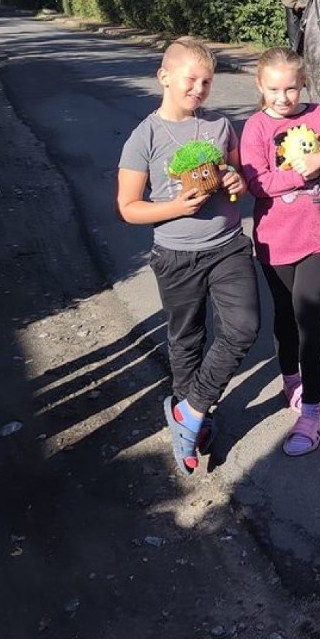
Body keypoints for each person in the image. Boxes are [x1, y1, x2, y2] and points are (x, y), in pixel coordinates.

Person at [117, 36, 260, 476]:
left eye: (207, 82)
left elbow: (241, 175)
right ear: (164, 77)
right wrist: (175, 208)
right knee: (186, 340)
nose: (199, 89)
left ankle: (191, 409)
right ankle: (193, 426)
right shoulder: (144, 137)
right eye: (191, 79)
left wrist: (237, 181)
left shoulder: (218, 125)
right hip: (175, 256)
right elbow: (128, 207)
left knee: (244, 327)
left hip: (228, 245)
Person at [240, 47, 320, 457]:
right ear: (260, 86)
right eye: (274, 89)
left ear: (302, 83)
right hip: (274, 241)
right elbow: (257, 183)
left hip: (319, 237)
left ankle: (312, 408)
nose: (283, 97)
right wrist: (295, 172)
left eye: (290, 88)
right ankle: (291, 378)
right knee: (285, 318)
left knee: (309, 316)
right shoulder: (254, 128)